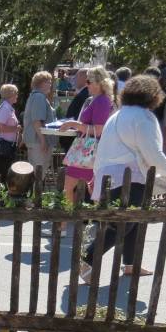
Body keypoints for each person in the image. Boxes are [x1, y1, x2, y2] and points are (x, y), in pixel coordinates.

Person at [81, 75, 166, 282]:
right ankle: (87, 258)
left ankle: (131, 264)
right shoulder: (144, 117)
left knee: (133, 221)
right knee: (126, 222)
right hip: (130, 176)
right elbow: (153, 152)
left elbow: (103, 149)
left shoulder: (117, 115)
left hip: (111, 174)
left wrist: (96, 176)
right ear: (153, 96)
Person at [59, 66, 114, 229]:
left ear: (99, 83)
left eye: (89, 81)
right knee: (86, 189)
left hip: (89, 152)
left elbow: (99, 130)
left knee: (88, 189)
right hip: (86, 152)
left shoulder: (102, 100)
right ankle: (103, 225)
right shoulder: (95, 99)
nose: (86, 84)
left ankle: (104, 225)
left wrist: (73, 124)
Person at [22, 71, 56, 176]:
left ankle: (34, 192)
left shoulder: (36, 96)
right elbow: (37, 121)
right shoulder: (39, 97)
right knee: (38, 174)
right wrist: (43, 141)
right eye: (48, 82)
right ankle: (35, 193)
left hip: (35, 141)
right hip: (38, 142)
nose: (50, 84)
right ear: (41, 83)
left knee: (36, 173)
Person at [60, 68, 89, 155]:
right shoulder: (83, 93)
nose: (74, 80)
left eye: (76, 77)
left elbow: (77, 117)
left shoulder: (84, 95)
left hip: (75, 139)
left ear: (84, 78)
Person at [0, 84, 21, 178]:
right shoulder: (5, 108)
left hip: (9, 144)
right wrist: (15, 129)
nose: (17, 95)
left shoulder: (9, 108)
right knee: (3, 171)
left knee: (5, 170)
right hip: (5, 144)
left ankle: (2, 191)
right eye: (16, 93)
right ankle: (0, 191)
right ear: (11, 94)